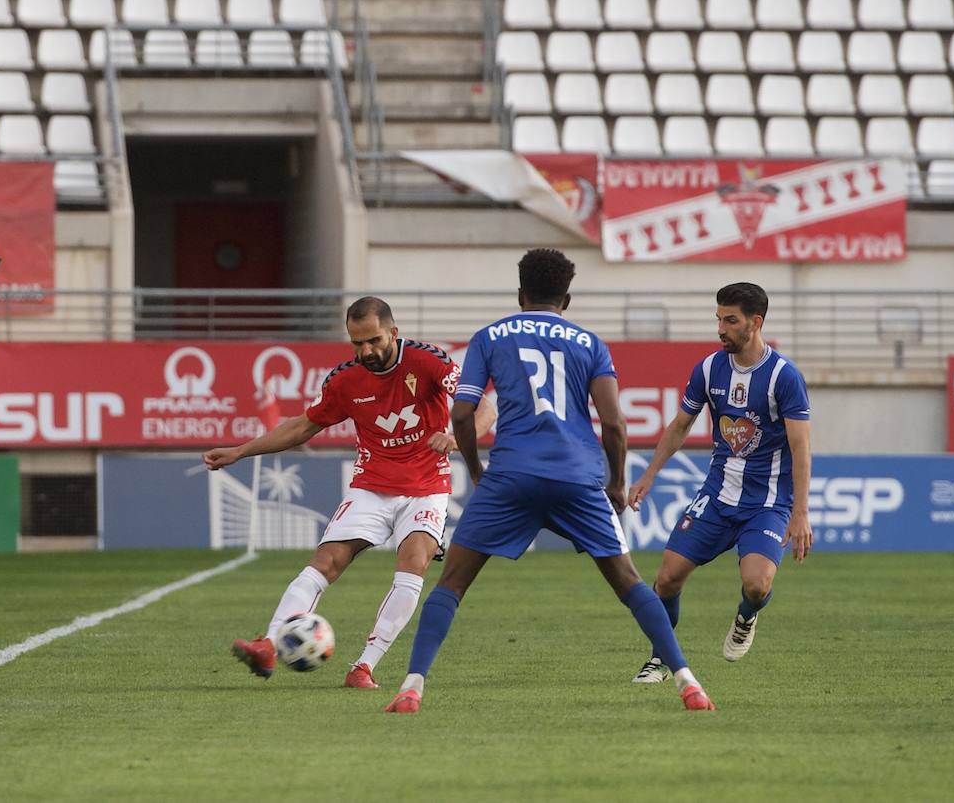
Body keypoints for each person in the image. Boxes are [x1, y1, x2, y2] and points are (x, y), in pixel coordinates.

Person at [384, 248, 714, 714]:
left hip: (511, 474)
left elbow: (462, 411)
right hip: (577, 476)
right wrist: (617, 483)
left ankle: (411, 688)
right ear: (568, 298)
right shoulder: (589, 343)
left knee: (451, 584)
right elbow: (615, 424)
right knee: (628, 580)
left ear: (520, 294)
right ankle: (688, 683)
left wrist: (478, 471)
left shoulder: (491, 336)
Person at [204, 297, 495, 689]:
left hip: (427, 488)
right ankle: (269, 644)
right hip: (371, 487)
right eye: (357, 343)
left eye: (374, 340)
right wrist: (240, 451)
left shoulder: (429, 362)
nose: (366, 351)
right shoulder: (345, 381)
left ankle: (364, 666)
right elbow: (303, 427)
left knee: (413, 565)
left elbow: (485, 409)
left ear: (393, 332)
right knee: (325, 561)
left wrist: (456, 440)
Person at [626, 282, 812, 684]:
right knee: (667, 577)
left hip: (767, 503)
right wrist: (649, 473)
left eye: (731, 320)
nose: (721, 329)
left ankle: (747, 616)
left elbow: (801, 447)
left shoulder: (784, 376)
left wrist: (800, 513)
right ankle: (659, 660)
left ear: (755, 322)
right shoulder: (709, 369)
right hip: (717, 495)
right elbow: (680, 426)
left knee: (757, 585)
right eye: (719, 319)